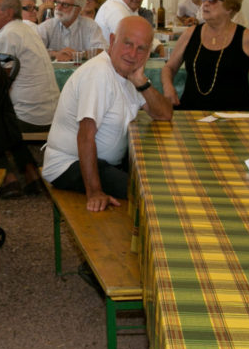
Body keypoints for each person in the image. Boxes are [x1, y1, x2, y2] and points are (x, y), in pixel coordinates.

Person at [43, 16, 173, 211]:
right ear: (112, 41)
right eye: (127, 44)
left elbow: (164, 114)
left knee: (162, 179)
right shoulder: (99, 73)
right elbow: (85, 136)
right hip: (69, 164)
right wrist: (94, 192)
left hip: (107, 163)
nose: (132, 54)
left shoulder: (128, 73)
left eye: (141, 49)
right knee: (150, 195)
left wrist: (141, 82)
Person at [161, 0, 249, 111]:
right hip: (192, 111)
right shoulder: (190, 34)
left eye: (212, 0)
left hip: (234, 115)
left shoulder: (246, 38)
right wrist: (168, 87)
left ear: (230, 8)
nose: (205, 4)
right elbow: (169, 67)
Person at [0, 0, 59, 195]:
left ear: (8, 13)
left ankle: (7, 179)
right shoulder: (23, 30)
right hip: (50, 114)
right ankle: (31, 175)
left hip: (32, 117)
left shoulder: (9, 35)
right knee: (5, 116)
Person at [36, 0, 107, 61]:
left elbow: (102, 50)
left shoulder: (90, 26)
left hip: (83, 71)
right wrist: (56, 54)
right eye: (58, 3)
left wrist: (78, 55)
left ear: (78, 9)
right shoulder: (47, 26)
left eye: (65, 5)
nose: (58, 8)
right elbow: (34, 50)